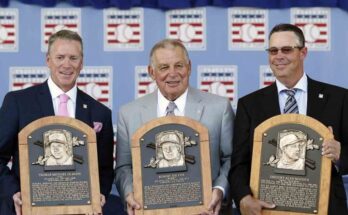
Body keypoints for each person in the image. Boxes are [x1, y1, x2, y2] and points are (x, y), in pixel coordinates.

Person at [229, 23, 348, 215]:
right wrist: (243, 197)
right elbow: (238, 164)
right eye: (273, 50)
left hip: (326, 207)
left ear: (303, 52)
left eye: (287, 49)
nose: (279, 56)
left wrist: (341, 153)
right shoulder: (249, 105)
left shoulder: (339, 99)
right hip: (269, 208)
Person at [0, 29, 114, 215]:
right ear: (48, 61)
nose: (66, 64)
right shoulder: (18, 102)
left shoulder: (100, 112)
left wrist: (100, 194)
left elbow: (105, 170)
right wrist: (14, 192)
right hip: (28, 209)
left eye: (73, 58)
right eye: (60, 57)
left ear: (82, 63)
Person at [115, 39, 234, 215]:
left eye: (179, 65)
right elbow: (123, 167)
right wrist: (130, 193)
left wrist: (219, 190)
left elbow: (232, 159)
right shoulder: (128, 113)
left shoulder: (219, 107)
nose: (173, 74)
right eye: (164, 67)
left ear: (189, 67)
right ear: (151, 72)